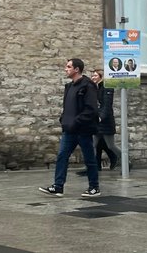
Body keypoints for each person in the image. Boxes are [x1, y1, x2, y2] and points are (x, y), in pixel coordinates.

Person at [39, 58, 101, 197]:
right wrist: (64, 119)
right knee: (62, 156)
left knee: (89, 158)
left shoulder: (88, 85)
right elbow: (67, 107)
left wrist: (76, 121)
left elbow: (91, 109)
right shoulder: (69, 86)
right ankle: (58, 186)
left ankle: (94, 187)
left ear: (77, 69)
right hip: (69, 130)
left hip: (83, 130)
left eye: (68, 67)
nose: (65, 69)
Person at [78, 70, 121, 176]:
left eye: (95, 75)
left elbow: (106, 106)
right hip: (96, 121)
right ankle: (90, 167)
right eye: (92, 75)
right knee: (92, 144)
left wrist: (101, 117)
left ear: (101, 77)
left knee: (111, 146)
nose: (93, 77)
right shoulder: (95, 88)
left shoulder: (107, 87)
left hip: (105, 122)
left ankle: (126, 161)